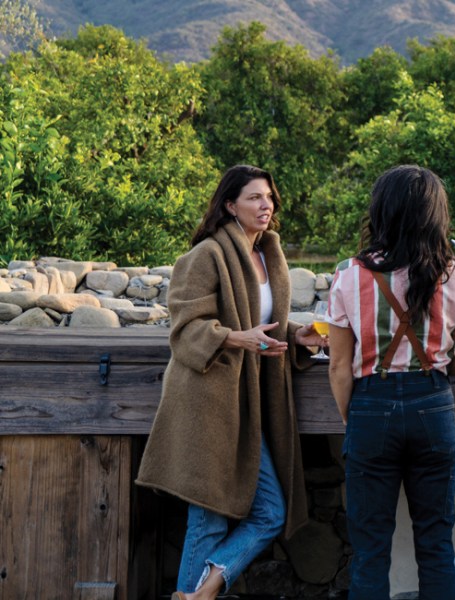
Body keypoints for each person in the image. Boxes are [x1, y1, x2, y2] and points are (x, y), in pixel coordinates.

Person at [136, 164, 325, 600]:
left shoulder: (268, 253)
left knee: (270, 513)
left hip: (249, 403)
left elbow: (261, 323)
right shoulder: (205, 255)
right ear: (229, 205)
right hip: (208, 401)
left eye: (269, 197)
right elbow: (185, 330)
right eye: (255, 197)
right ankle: (195, 594)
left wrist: (294, 335)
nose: (266, 205)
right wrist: (240, 339)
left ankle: (202, 593)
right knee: (210, 519)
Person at [325, 165, 455, 598]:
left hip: (369, 409)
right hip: (433, 408)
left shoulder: (348, 274)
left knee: (370, 552)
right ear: (435, 214)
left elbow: (339, 367)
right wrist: (434, 373)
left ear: (382, 211)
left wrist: (355, 417)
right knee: (436, 546)